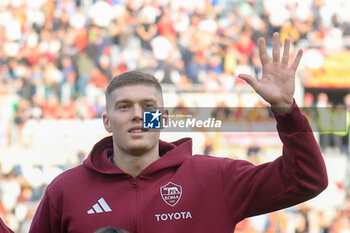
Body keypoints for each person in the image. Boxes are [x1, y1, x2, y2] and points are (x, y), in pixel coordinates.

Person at [29, 33, 328, 233]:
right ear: (106, 120)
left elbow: (306, 180)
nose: (137, 114)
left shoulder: (215, 178)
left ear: (162, 117)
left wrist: (286, 111)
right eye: (124, 107)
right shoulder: (66, 191)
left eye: (148, 106)